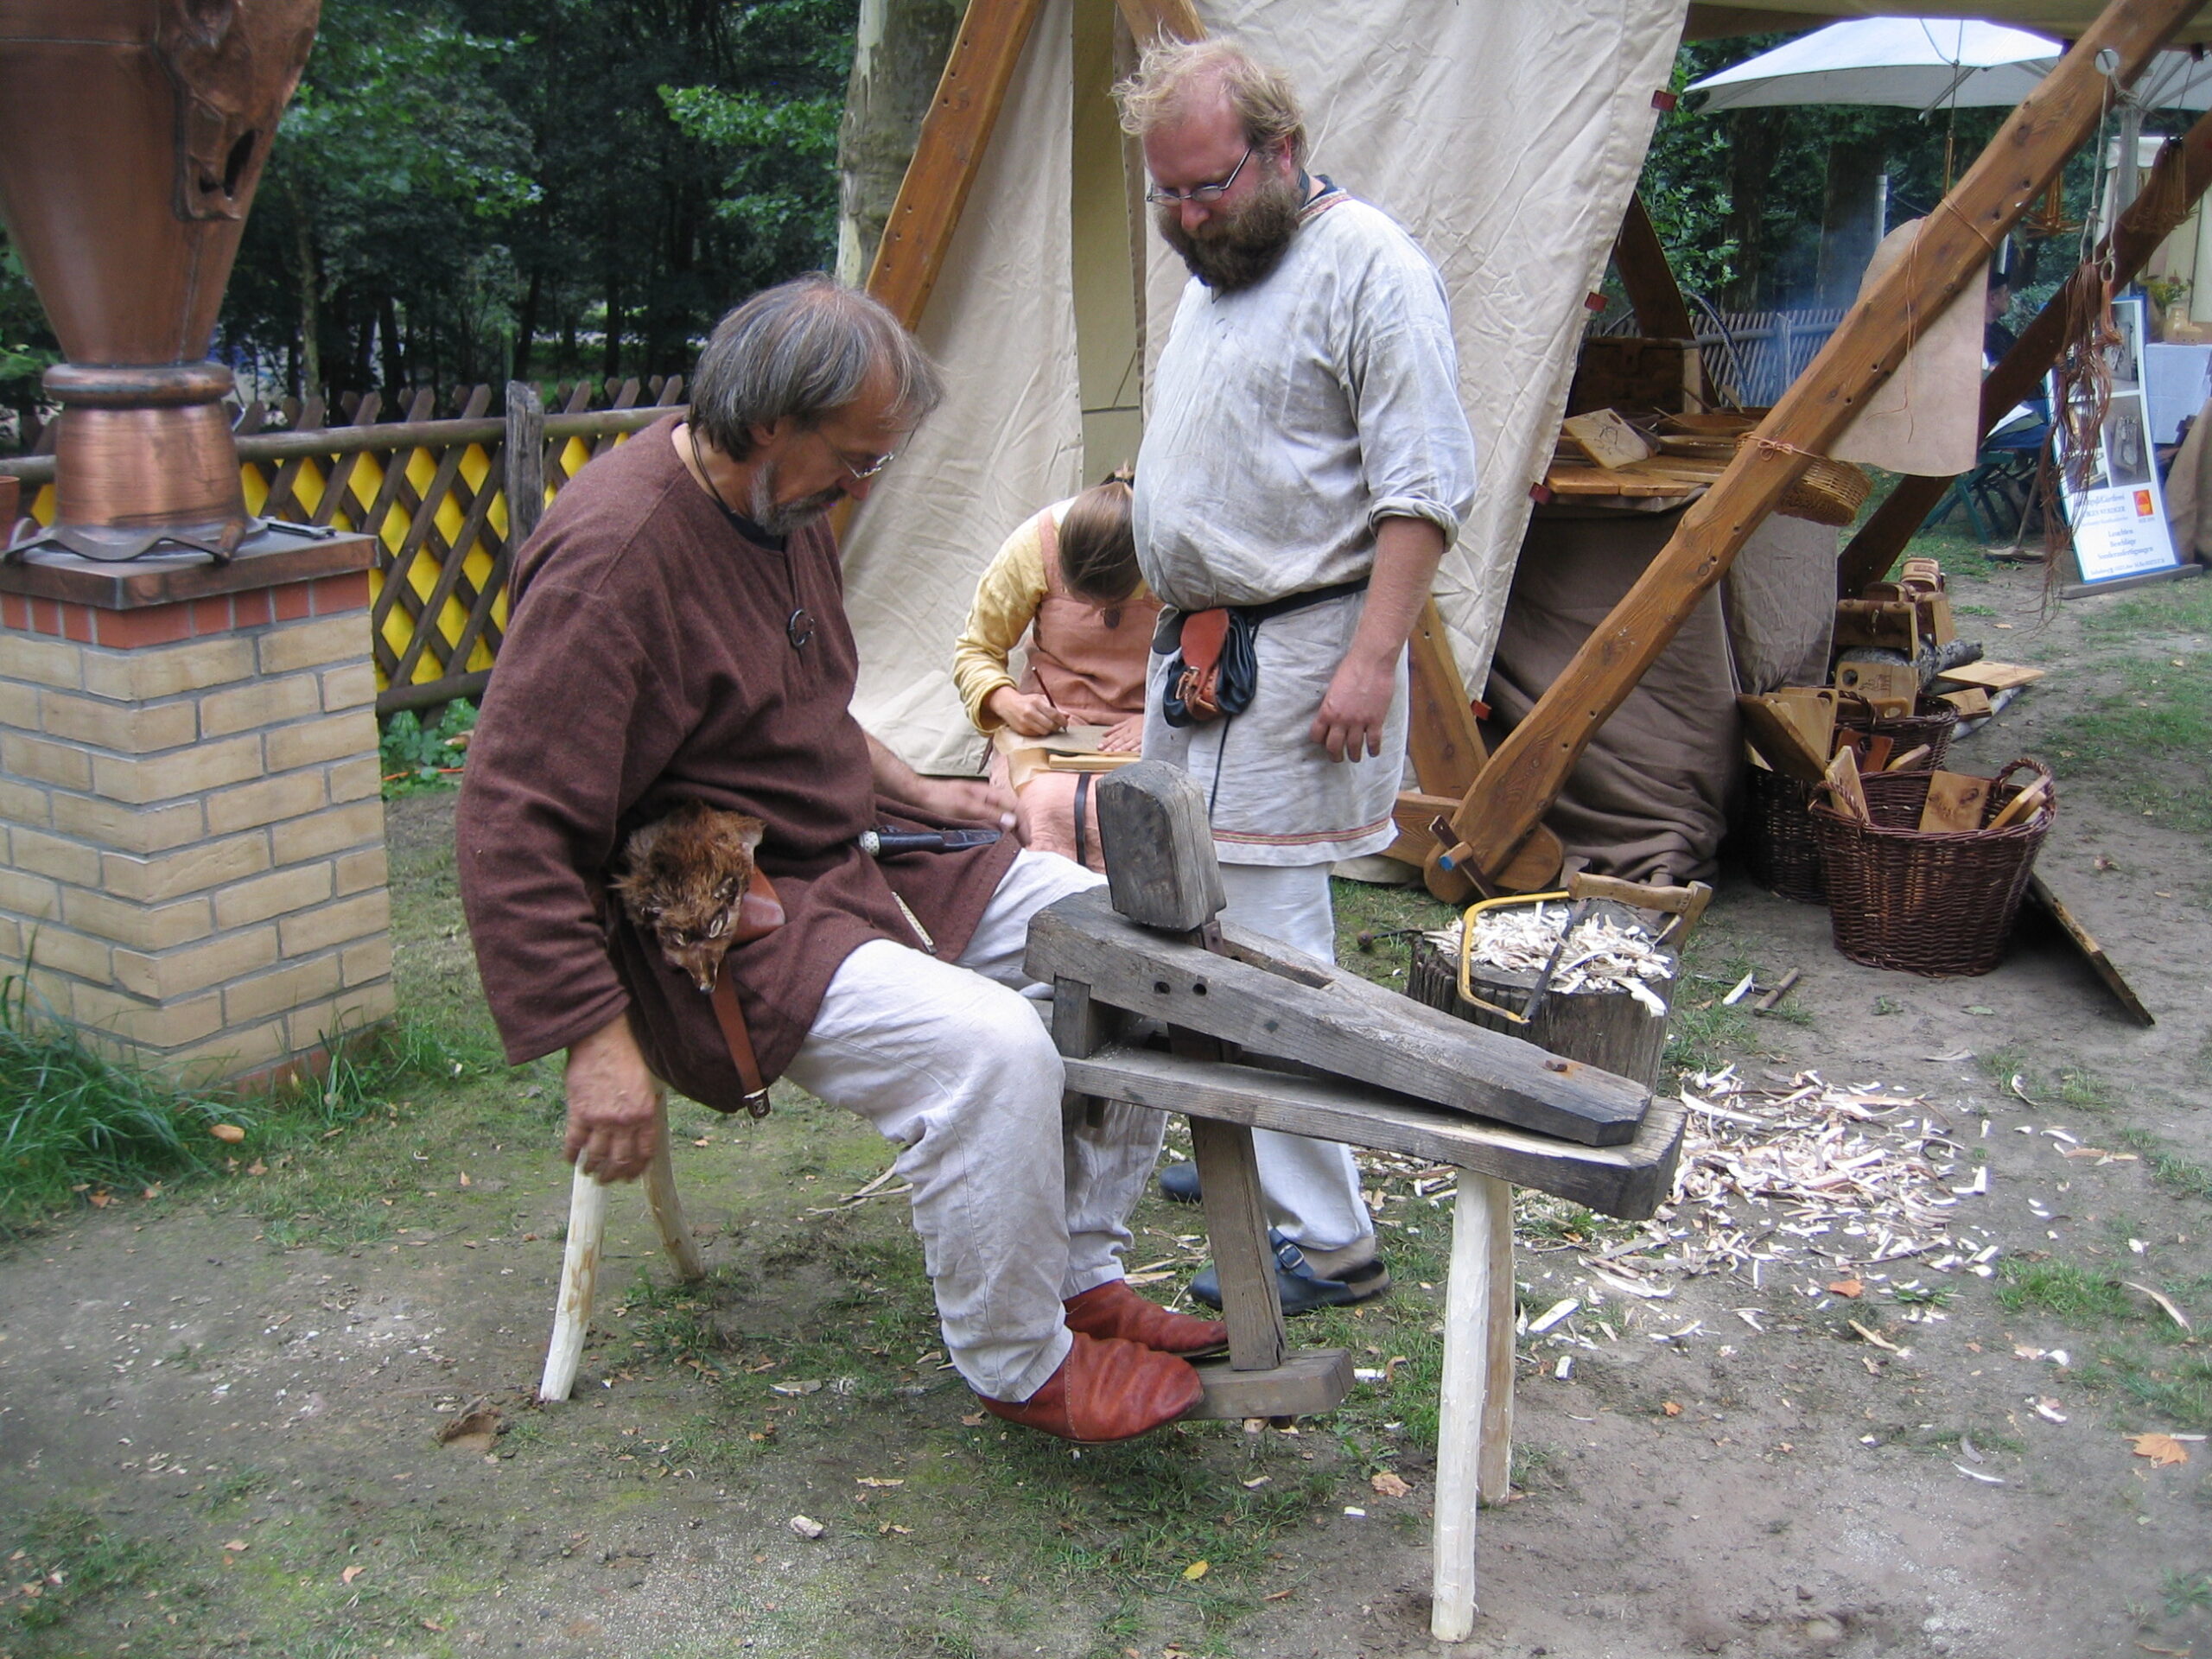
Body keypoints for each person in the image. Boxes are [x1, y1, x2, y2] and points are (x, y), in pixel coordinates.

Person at [455, 276, 1224, 1444]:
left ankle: (1078, 1273)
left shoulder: (777, 512)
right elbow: (512, 820)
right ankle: (1021, 1363)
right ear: (770, 426)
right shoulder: (614, 560)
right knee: (992, 1051)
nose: (862, 489)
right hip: (712, 910)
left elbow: (793, 710)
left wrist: (923, 788)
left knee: (1137, 956)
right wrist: (593, 1045)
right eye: (855, 461)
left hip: (859, 853)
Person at [1115, 41, 1478, 1313]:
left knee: (1273, 943)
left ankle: (1331, 1238)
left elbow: (1424, 485)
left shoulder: (1371, 266)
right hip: (1204, 660)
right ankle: (1246, 1141)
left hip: (1311, 655)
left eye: (1207, 188)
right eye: (1166, 197)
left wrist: (1374, 658)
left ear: (1278, 149)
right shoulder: (1223, 273)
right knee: (1184, 907)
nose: (1188, 217)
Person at [950, 473, 1159, 870]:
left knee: (1132, 808)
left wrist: (1160, 719)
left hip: (1148, 724)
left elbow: (1213, 665)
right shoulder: (1036, 544)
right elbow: (976, 649)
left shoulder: (1169, 552)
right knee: (1045, 807)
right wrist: (1006, 701)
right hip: (1052, 724)